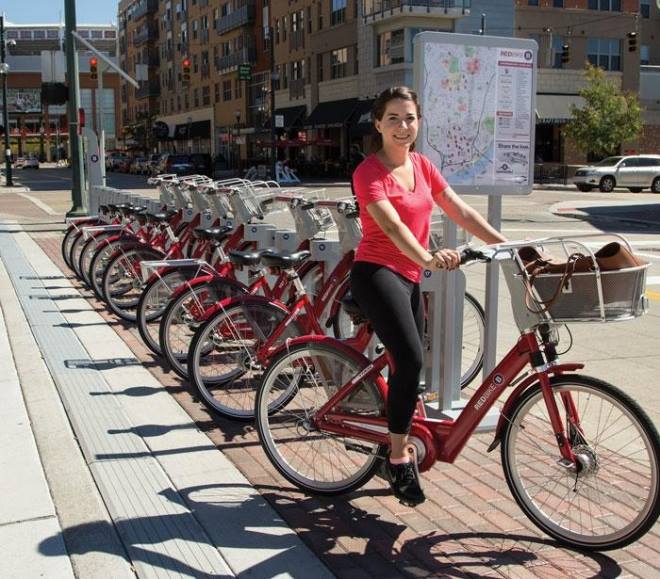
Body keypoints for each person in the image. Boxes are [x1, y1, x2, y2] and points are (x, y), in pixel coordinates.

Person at [350, 86, 506, 507]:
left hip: (410, 273)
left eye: (411, 119)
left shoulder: (422, 165)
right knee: (412, 360)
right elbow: (391, 226)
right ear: (378, 124)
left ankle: (389, 420)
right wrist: (429, 258)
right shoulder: (369, 172)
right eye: (395, 119)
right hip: (377, 272)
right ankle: (398, 458)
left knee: (410, 361)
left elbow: (461, 210)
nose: (404, 127)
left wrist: (508, 246)